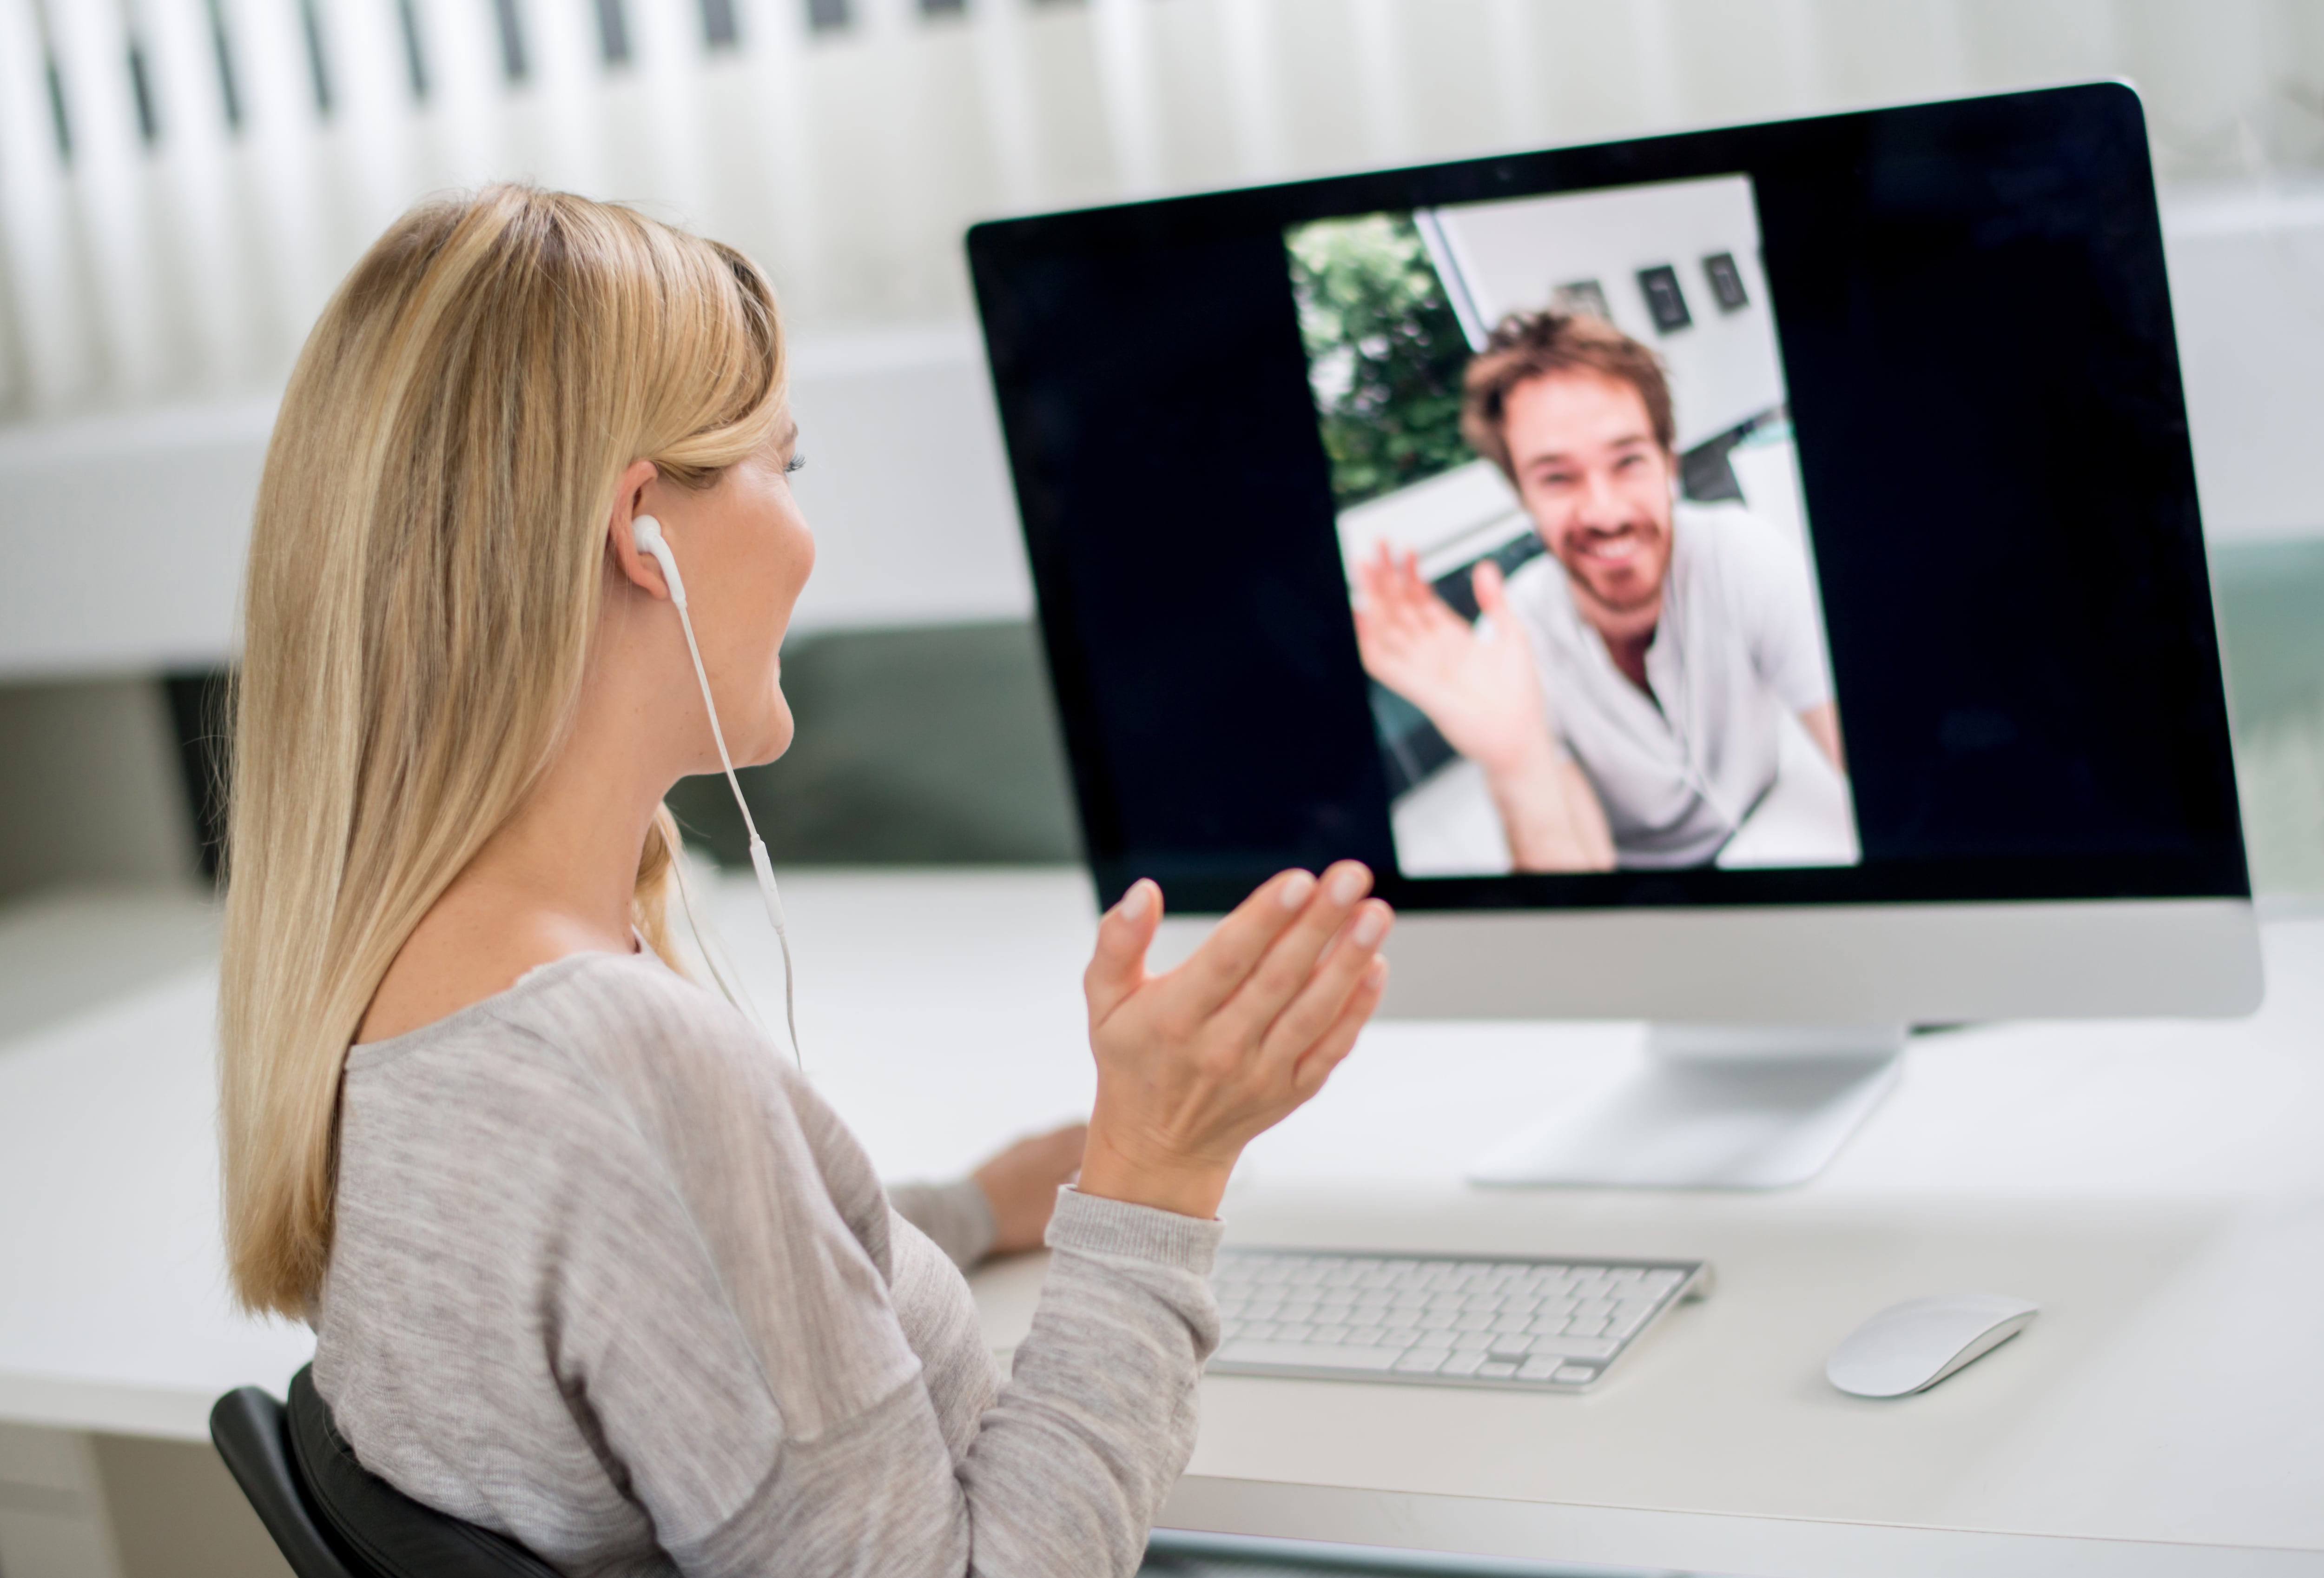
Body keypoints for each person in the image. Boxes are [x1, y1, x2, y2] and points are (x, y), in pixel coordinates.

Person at [216, 187, 1394, 1577]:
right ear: (639, 533)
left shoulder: (403, 982)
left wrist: (946, 1213)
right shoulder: (620, 1069)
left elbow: (673, 1293)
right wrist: (1157, 1173)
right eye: (784, 467)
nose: (808, 537)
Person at [1353, 311, 1844, 872]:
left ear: (1669, 462)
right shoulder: (1514, 641)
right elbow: (1571, 883)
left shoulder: (1741, 552)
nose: (1605, 513)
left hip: (1773, 826)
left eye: (1629, 460)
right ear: (1522, 497)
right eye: (1557, 478)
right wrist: (1518, 763)